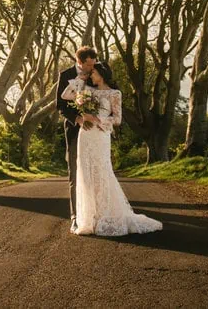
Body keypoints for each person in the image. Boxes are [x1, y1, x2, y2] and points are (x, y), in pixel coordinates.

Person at [55, 46, 162, 236]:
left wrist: (96, 119)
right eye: (89, 65)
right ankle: (83, 217)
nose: (91, 68)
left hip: (100, 134)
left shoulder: (112, 93)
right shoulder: (84, 85)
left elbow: (117, 118)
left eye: (94, 67)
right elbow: (63, 100)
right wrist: (80, 117)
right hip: (80, 133)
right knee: (81, 174)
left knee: (102, 172)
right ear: (80, 62)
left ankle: (105, 213)